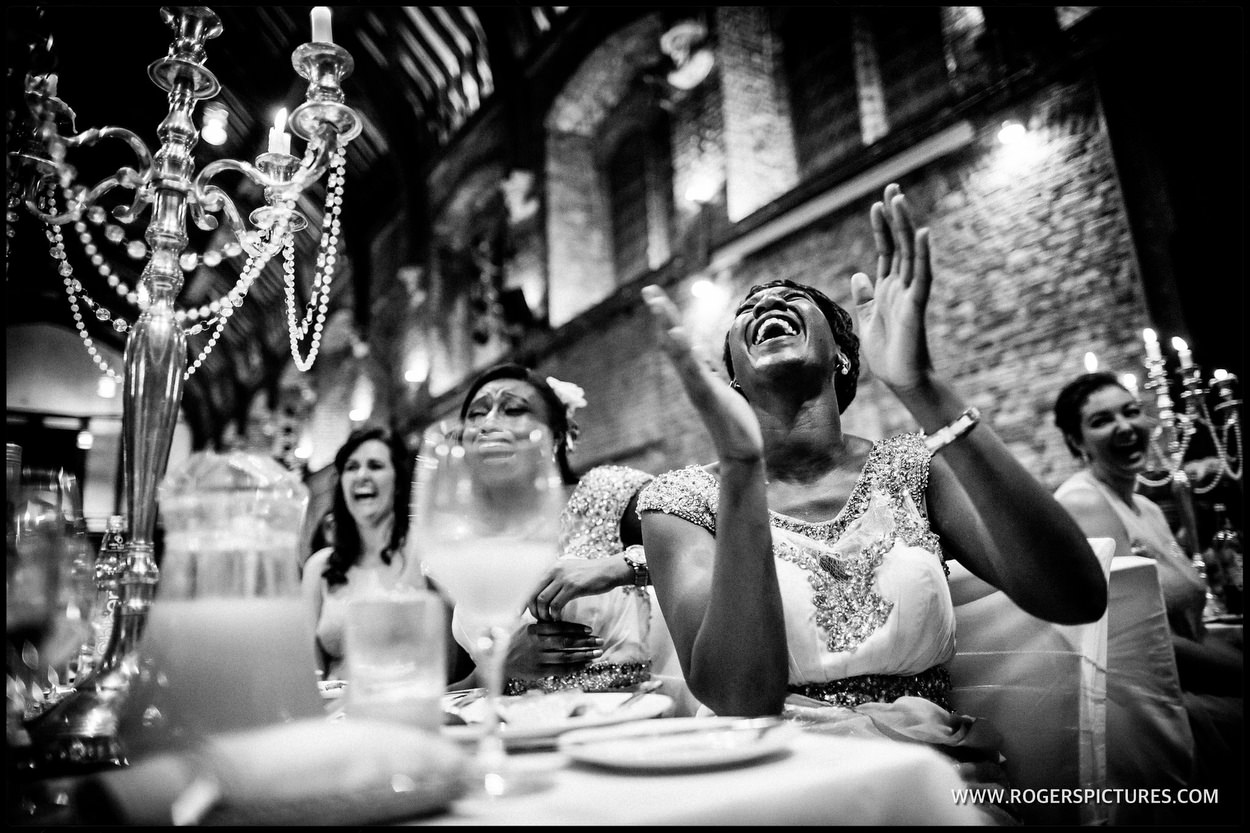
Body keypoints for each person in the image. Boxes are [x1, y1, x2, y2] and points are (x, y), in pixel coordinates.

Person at [635, 183, 1107, 778]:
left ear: (842, 356)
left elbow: (1077, 597)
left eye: (791, 300)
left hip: (934, 773)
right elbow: (738, 699)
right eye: (747, 310)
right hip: (772, 779)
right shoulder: (681, 502)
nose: (763, 306)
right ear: (734, 381)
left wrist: (922, 387)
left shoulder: (913, 468)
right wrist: (741, 469)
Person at [1052, 371, 1242, 821]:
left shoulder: (1151, 508)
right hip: (1159, 700)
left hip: (1193, 671)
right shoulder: (1084, 502)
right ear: (1076, 442)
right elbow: (1130, 633)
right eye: (1101, 420)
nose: (1124, 426)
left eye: (1131, 411)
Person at [445, 364, 659, 696]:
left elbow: (708, 545)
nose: (488, 423)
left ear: (557, 436)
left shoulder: (605, 492)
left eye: (513, 409)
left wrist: (614, 568)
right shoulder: (467, 537)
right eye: (476, 414)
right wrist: (498, 665)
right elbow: (473, 682)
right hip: (509, 729)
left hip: (616, 721)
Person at [300, 425, 416, 681]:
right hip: (335, 712)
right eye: (351, 467)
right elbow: (310, 670)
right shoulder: (320, 567)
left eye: (375, 466)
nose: (362, 475)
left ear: (397, 482)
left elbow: (438, 661)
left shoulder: (418, 552)